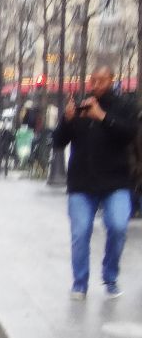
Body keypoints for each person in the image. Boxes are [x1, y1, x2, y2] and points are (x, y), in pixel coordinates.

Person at [52, 66, 136, 299]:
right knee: (80, 233)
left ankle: (110, 277)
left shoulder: (123, 106)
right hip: (82, 183)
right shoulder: (80, 107)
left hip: (115, 182)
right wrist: (67, 121)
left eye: (101, 80)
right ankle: (80, 283)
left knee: (118, 226)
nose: (95, 84)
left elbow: (129, 133)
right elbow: (58, 142)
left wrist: (102, 116)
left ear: (111, 80)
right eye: (93, 80)